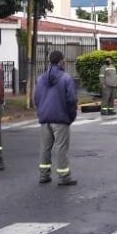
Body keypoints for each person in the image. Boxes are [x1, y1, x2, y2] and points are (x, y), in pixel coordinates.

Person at [35, 51, 78, 186]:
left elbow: (36, 98)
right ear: (61, 61)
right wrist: (71, 116)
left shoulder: (41, 78)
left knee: (45, 147)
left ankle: (44, 175)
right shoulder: (66, 78)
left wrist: (41, 112)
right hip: (60, 118)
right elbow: (71, 100)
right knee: (61, 148)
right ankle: (64, 176)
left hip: (45, 118)